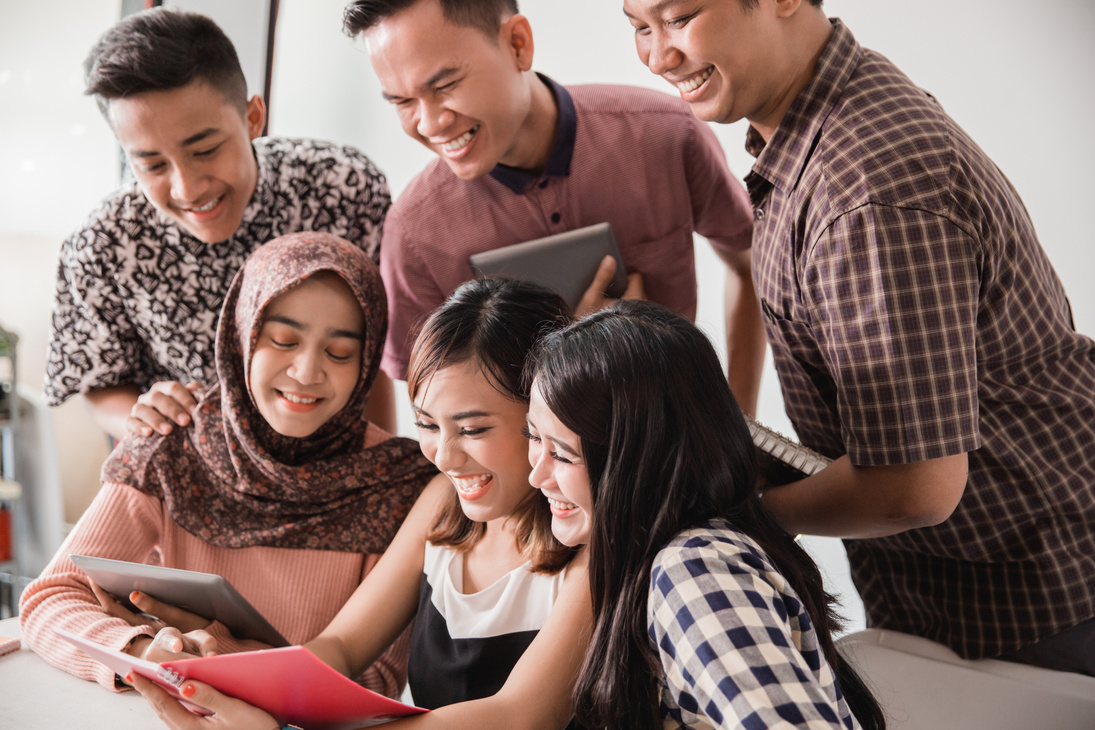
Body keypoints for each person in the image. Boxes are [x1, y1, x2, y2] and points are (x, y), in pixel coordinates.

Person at [621, 0, 1095, 673]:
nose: (657, 56)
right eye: (638, 26)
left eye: (678, 17)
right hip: (973, 590)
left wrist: (742, 518)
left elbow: (912, 487)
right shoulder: (822, 121)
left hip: (1035, 602)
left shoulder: (864, 183)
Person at [130, 277, 592, 729]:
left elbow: (520, 715)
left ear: (545, 417)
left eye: (472, 430)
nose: (444, 457)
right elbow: (342, 646)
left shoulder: (591, 547)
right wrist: (218, 670)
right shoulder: (442, 504)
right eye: (427, 425)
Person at [21, 232, 438, 696]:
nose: (306, 371)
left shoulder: (396, 481)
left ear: (366, 362)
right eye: (282, 340)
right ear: (243, 335)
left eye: (339, 352)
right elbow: (50, 598)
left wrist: (223, 656)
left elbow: (375, 682)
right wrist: (142, 653)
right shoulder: (172, 444)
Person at [342, 0, 765, 415]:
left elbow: (749, 265)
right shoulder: (414, 235)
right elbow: (437, 413)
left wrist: (738, 424)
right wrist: (575, 348)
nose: (430, 124)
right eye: (402, 102)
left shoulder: (669, 137)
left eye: (445, 85)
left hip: (678, 453)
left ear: (518, 44)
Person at [525, 300, 884, 730]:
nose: (536, 475)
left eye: (562, 455)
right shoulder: (663, 556)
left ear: (640, 460)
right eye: (533, 437)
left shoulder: (693, 569)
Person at [45, 7, 398, 438]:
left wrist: (382, 465)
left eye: (206, 150)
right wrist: (149, 416)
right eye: (153, 165)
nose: (188, 188)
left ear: (253, 118)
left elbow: (373, 352)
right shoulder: (101, 244)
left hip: (335, 461)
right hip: (188, 464)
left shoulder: (345, 187)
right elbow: (98, 382)